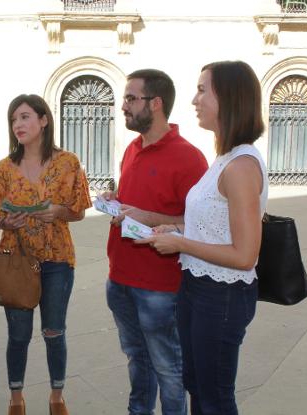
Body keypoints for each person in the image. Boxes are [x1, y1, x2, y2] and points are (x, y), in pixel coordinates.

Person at [138, 61, 268, 415]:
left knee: (214, 399)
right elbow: (216, 225)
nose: (194, 99)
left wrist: (181, 244)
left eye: (201, 90)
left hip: (222, 296)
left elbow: (245, 255)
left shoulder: (241, 166)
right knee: (198, 387)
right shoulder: (224, 158)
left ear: (227, 97)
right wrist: (177, 230)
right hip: (198, 287)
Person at [103, 69, 208, 415]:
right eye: (125, 99)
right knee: (136, 359)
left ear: (156, 103)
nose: (124, 107)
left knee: (167, 367)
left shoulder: (190, 158)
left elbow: (200, 226)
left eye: (131, 99)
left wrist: (150, 218)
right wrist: (114, 200)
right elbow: (139, 202)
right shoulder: (133, 148)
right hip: (120, 278)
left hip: (160, 288)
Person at [0, 94, 91, 415]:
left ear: (44, 119)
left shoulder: (68, 162)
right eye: (14, 120)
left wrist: (59, 210)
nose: (18, 125)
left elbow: (79, 211)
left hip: (57, 260)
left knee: (54, 331)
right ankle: (16, 397)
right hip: (15, 260)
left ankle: (56, 395)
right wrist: (8, 220)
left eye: (24, 117)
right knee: (18, 335)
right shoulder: (5, 167)